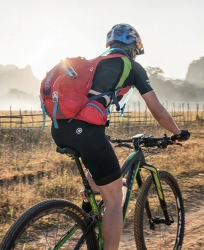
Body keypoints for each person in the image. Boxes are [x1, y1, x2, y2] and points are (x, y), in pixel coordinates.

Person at [51, 23, 190, 250]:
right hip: (86, 133)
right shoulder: (131, 67)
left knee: (100, 164)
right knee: (115, 200)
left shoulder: (92, 64)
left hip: (60, 129)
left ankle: (88, 214)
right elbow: (159, 112)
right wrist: (178, 133)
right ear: (133, 46)